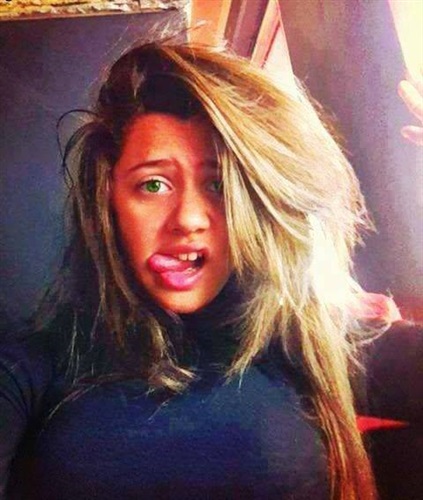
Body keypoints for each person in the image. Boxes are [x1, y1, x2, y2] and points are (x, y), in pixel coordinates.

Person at [0, 40, 421, 500]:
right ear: (109, 202)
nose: (187, 219)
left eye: (219, 185)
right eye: (153, 184)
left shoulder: (313, 341)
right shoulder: (32, 366)